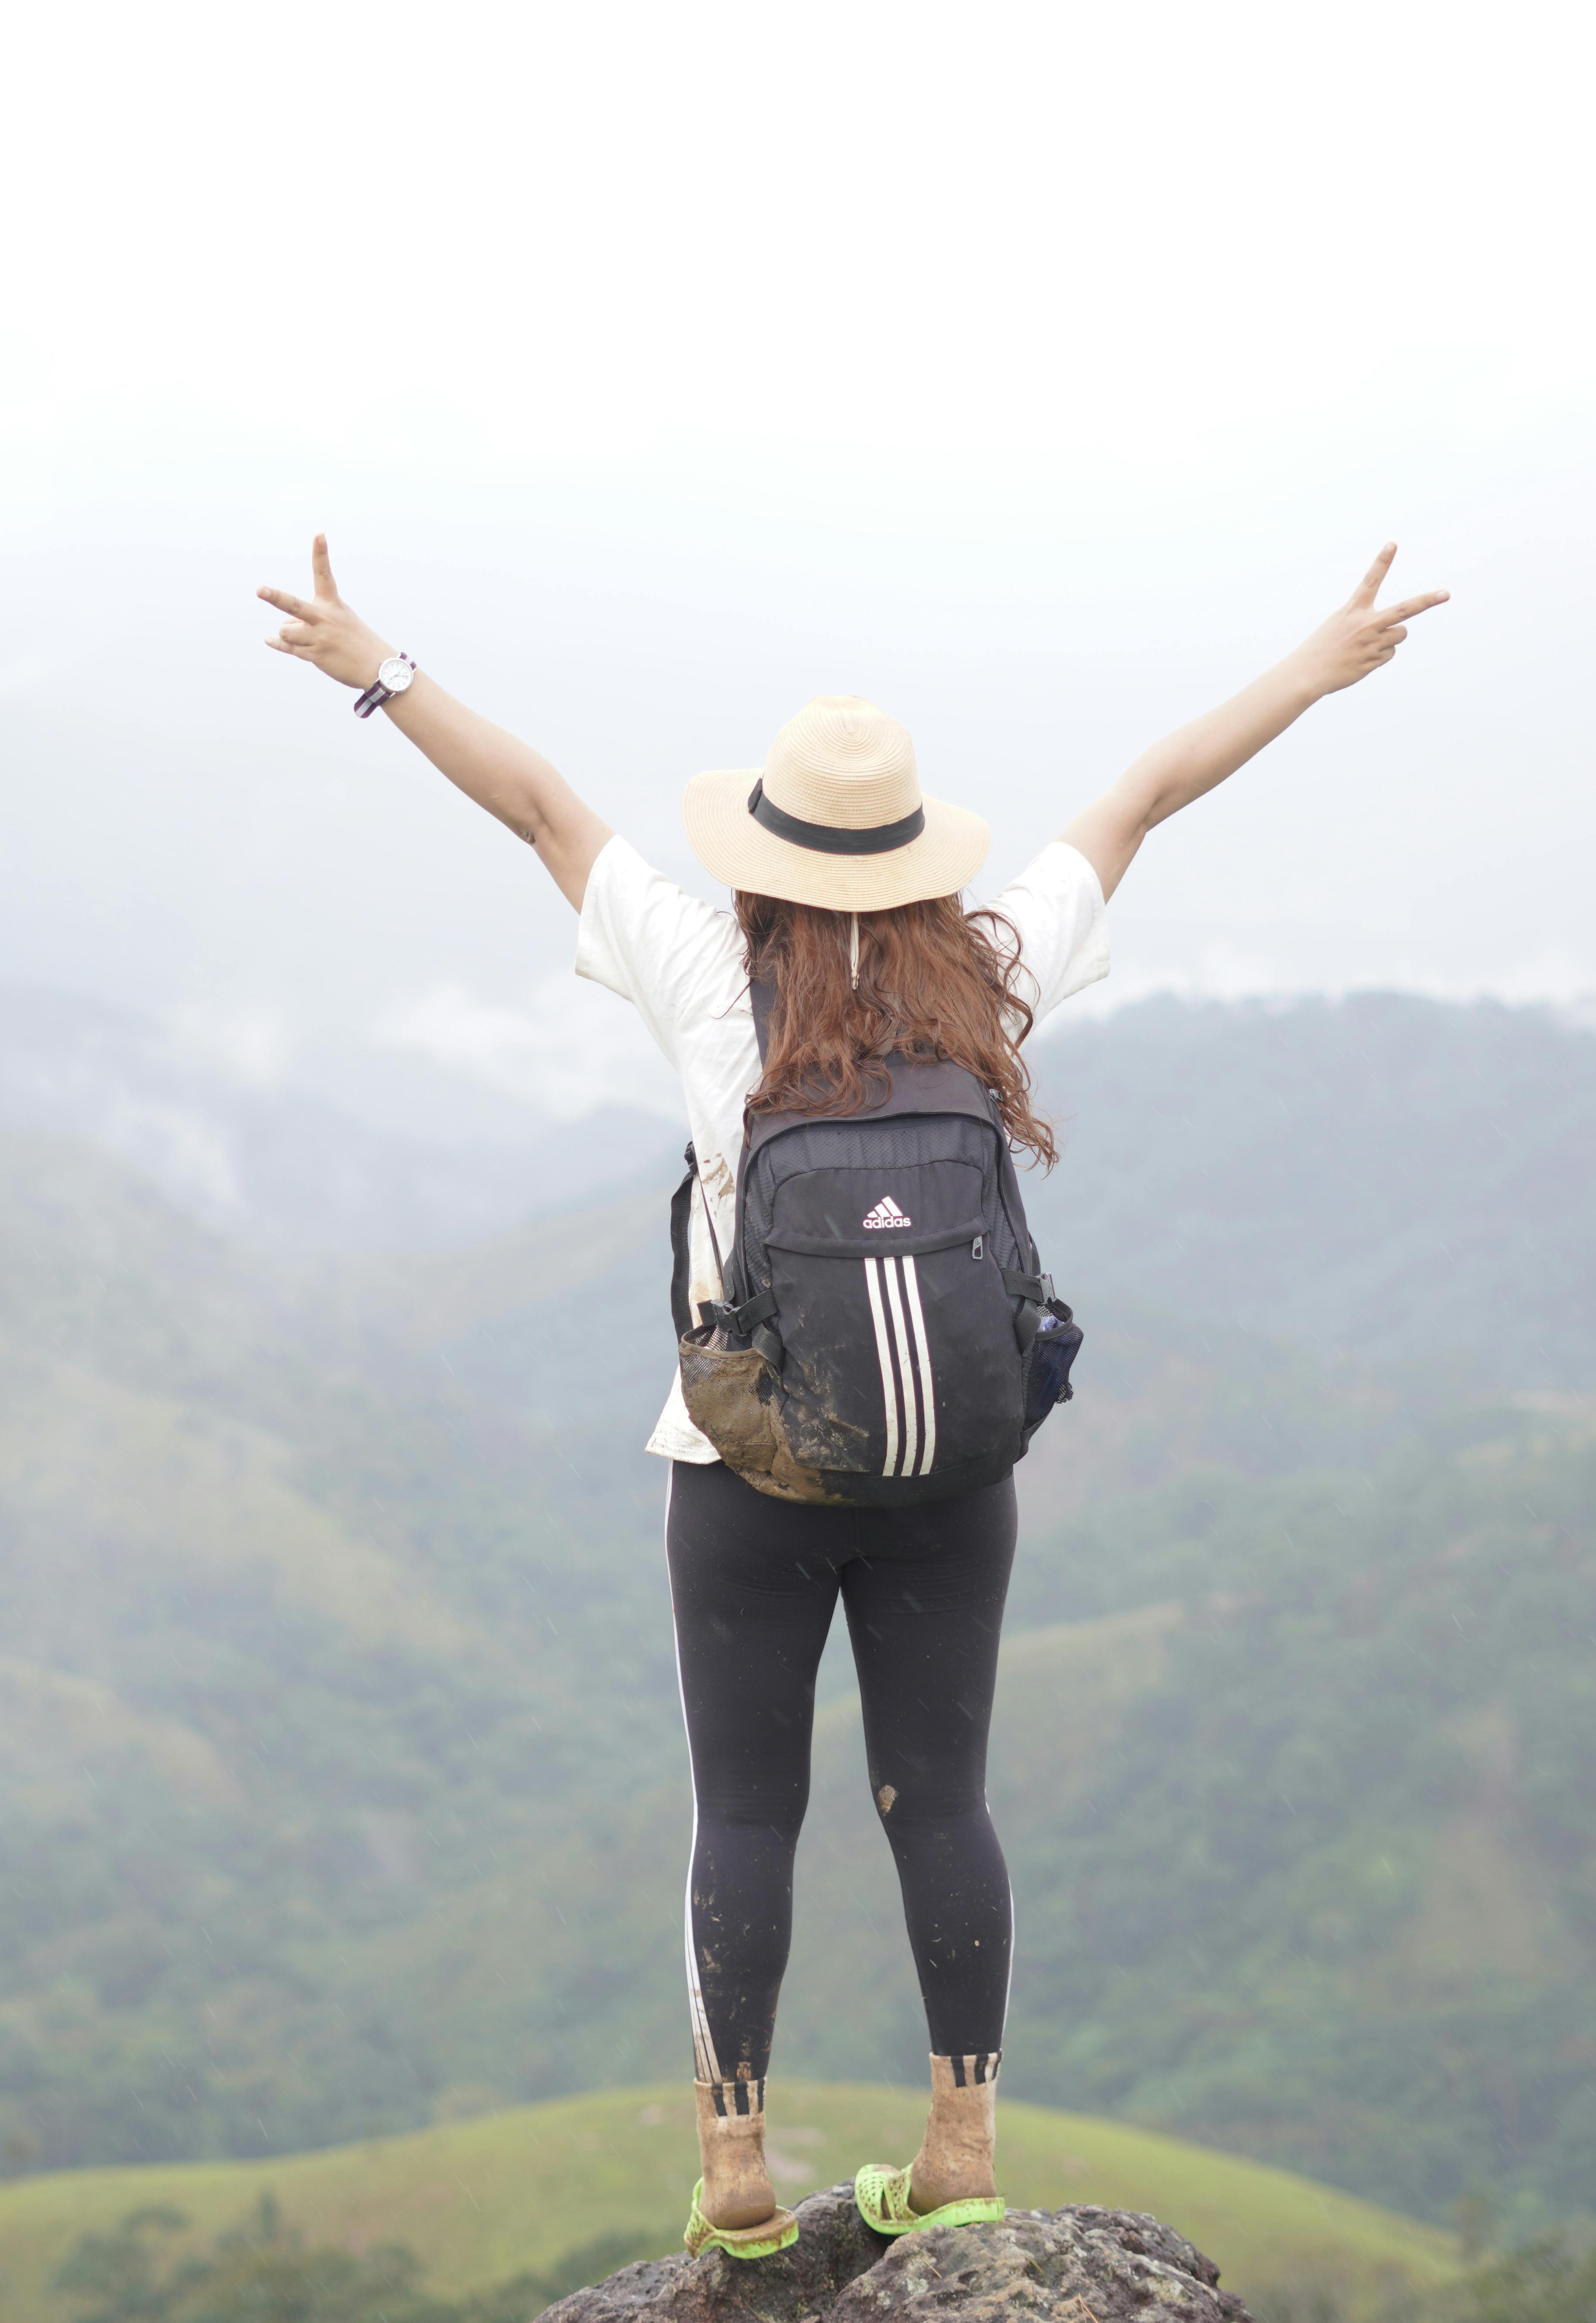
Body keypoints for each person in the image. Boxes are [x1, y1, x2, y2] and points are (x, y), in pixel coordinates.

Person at [257, 536, 1446, 2259]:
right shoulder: (986, 979)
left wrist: (371, 664)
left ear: (762, 853)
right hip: (951, 1470)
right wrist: (1315, 666)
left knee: (746, 1810)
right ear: (910, 857)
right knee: (939, 1799)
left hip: (741, 1476)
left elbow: (533, 806)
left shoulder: (701, 982)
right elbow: (1143, 794)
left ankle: (732, 2170)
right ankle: (960, 2142)